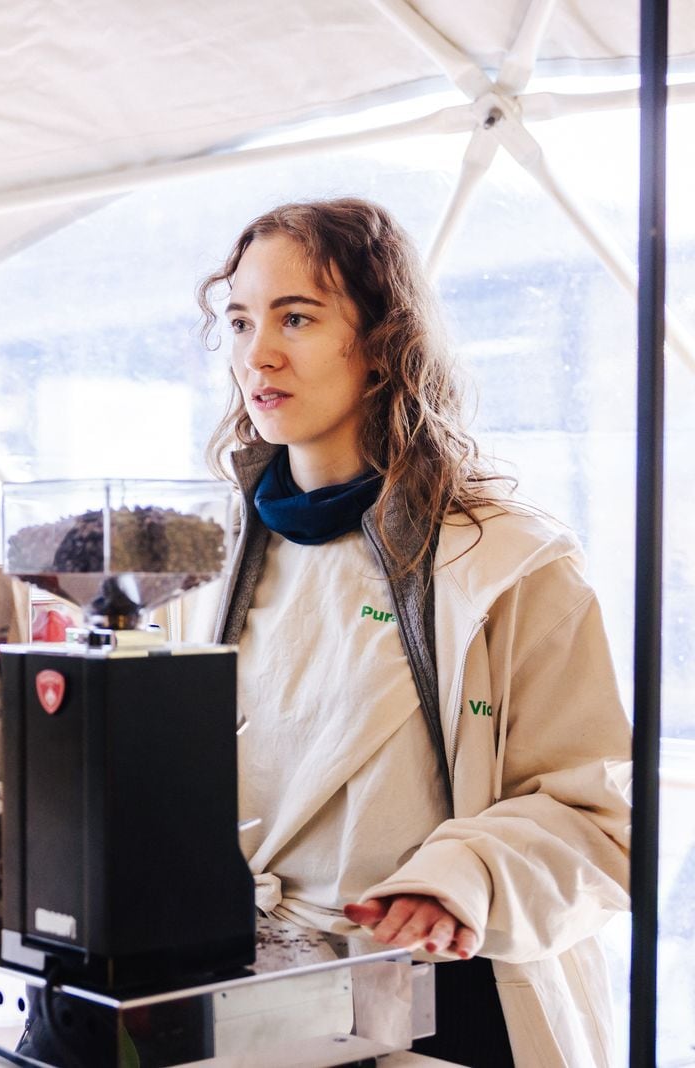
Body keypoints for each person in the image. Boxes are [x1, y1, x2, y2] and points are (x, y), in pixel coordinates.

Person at [200, 198, 631, 1066]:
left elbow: (599, 817)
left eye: (297, 317)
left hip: (446, 1009)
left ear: (385, 339)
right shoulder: (207, 556)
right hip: (248, 1006)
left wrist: (463, 879)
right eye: (240, 320)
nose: (259, 354)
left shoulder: (511, 561)